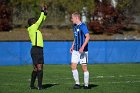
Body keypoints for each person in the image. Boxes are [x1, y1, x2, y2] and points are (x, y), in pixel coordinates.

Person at [27, 5, 47, 90]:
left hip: (36, 50)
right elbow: (39, 21)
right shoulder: (32, 27)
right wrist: (42, 11)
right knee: (39, 67)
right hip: (37, 49)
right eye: (34, 20)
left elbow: (41, 20)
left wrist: (45, 13)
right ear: (32, 23)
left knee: (36, 68)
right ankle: (40, 86)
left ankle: (32, 85)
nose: (36, 21)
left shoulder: (35, 28)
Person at [70, 12, 90, 89]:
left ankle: (86, 85)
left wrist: (82, 47)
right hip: (75, 50)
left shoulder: (83, 26)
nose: (71, 20)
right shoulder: (74, 26)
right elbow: (75, 37)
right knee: (73, 66)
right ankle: (77, 84)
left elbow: (88, 37)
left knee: (84, 67)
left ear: (76, 18)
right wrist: (72, 46)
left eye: (72, 18)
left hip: (83, 51)